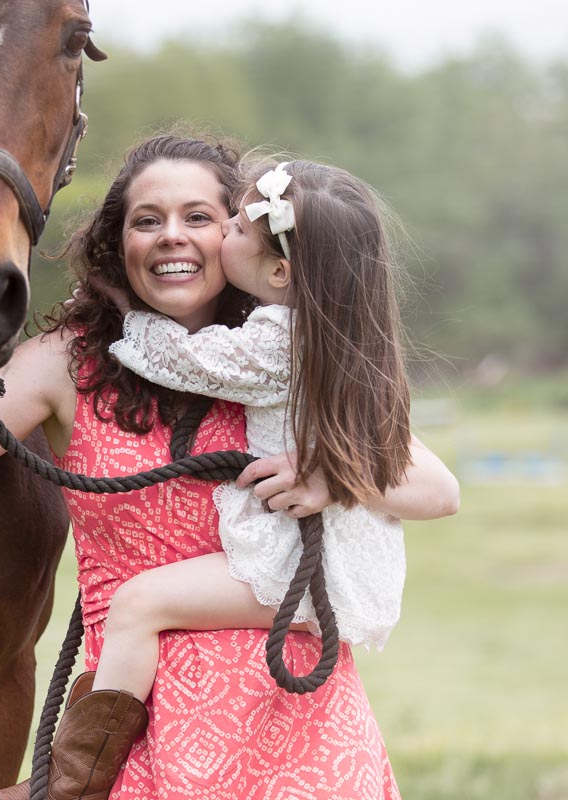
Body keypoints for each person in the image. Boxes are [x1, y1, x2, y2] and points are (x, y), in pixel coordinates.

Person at [0, 133, 459, 800]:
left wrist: (332, 474)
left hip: (299, 725)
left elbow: (434, 486)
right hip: (136, 726)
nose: (172, 236)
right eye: (148, 220)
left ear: (243, 242)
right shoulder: (68, 362)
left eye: (200, 217)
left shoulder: (288, 354)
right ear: (118, 243)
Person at [93, 159, 413, 716]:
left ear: (281, 274)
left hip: (302, 562)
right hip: (318, 558)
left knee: (137, 604)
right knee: (141, 604)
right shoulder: (326, 334)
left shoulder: (277, 342)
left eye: (236, 227)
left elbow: (187, 362)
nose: (222, 233)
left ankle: (80, 778)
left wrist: (123, 314)